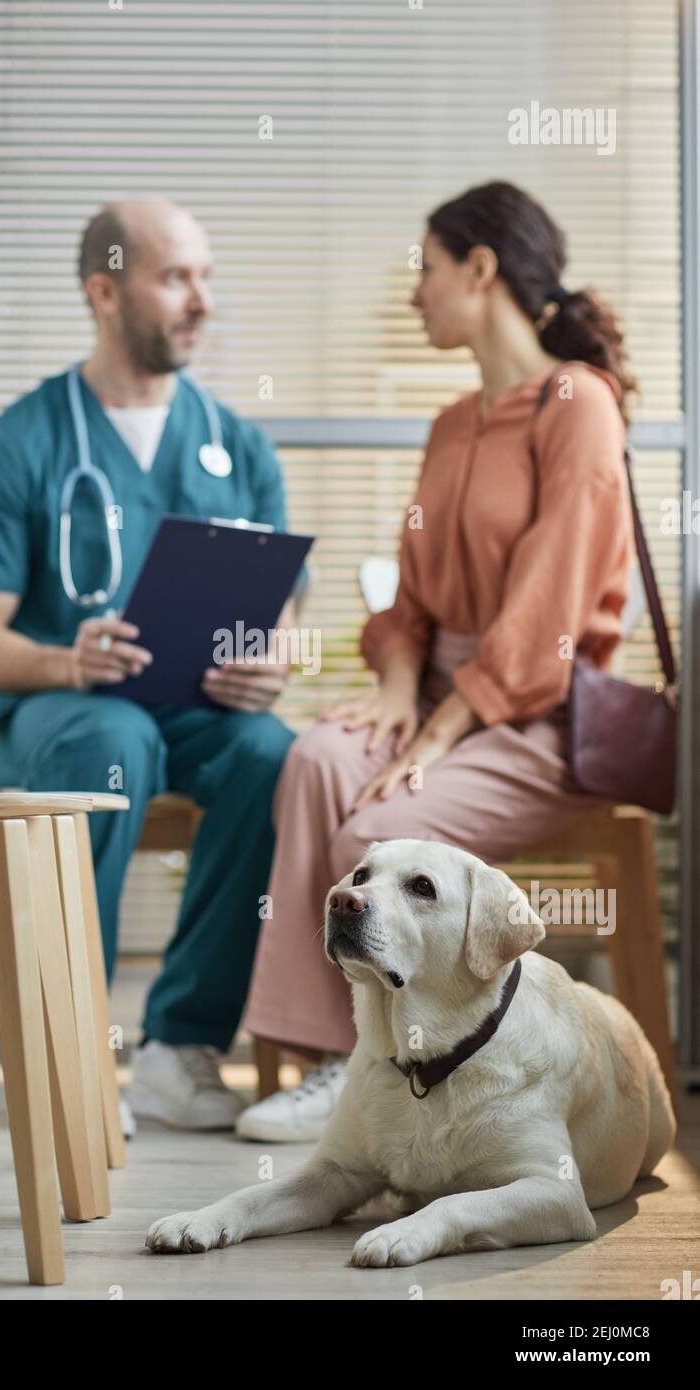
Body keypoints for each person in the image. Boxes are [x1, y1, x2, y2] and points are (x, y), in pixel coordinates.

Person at [235, 180, 636, 1142]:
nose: (415, 292)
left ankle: (366, 1069)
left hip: (535, 717)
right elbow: (409, 601)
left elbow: (548, 616)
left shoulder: (577, 404)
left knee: (378, 826)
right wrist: (394, 693)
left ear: (481, 269)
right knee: (316, 761)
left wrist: (439, 731)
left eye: (425, 268)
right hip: (442, 703)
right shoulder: (454, 423)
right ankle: (327, 1057)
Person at [0, 198, 301, 1133]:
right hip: (47, 722)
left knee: (272, 754)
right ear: (105, 291)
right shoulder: (21, 444)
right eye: (177, 278)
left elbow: (279, 616)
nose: (202, 301)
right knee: (112, 734)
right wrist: (66, 661)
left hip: (191, 715)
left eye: (207, 277)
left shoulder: (240, 446)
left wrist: (266, 663)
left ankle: (180, 1050)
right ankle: (72, 1045)